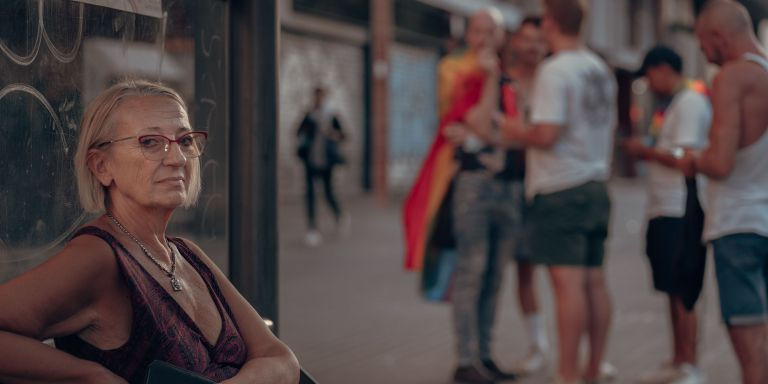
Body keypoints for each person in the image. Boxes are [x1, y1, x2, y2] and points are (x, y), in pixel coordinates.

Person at [0, 80, 300, 384]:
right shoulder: (100, 257)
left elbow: (281, 359)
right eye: (150, 142)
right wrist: (88, 375)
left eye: (184, 141)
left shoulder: (186, 253)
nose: (178, 158)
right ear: (101, 165)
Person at [500, 0, 616, 383]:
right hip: (596, 183)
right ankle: (593, 368)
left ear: (550, 22)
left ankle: (568, 374)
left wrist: (515, 131)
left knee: (567, 287)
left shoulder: (555, 71)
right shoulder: (599, 69)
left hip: (560, 187)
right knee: (594, 282)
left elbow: (547, 134)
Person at [446, 16, 551, 377]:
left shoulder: (514, 85)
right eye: (479, 31)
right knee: (472, 271)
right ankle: (465, 360)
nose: (486, 39)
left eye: (492, 32)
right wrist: (490, 82)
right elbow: (475, 122)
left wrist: (495, 136)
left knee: (494, 276)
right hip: (475, 186)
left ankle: (484, 355)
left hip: (510, 188)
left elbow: (519, 134)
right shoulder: (463, 74)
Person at [676, 1, 768, 383]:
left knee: (751, 354)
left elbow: (721, 163)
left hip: (737, 223)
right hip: (764, 218)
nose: (703, 52)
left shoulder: (732, 77)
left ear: (718, 37)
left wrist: (694, 159)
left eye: (702, 43)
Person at [624, 45, 711, 384]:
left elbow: (685, 156)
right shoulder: (673, 104)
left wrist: (645, 151)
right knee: (671, 288)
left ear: (662, 69)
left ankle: (691, 363)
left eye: (649, 74)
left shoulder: (689, 102)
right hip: (663, 205)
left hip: (680, 206)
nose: (649, 82)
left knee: (684, 287)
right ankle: (679, 359)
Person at [296, 86, 349, 247]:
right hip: (311, 161)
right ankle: (312, 229)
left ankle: (340, 215)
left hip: (327, 162)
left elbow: (343, 135)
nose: (318, 99)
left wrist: (331, 133)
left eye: (321, 96)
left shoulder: (331, 116)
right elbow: (298, 132)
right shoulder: (309, 115)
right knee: (310, 194)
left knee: (327, 193)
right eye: (316, 96)